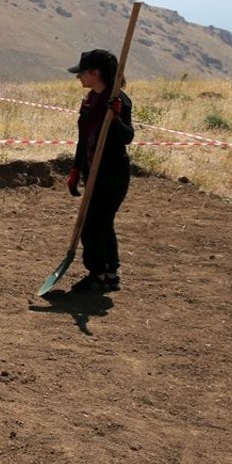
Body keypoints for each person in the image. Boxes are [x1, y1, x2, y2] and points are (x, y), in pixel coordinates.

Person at [66, 49, 135, 293]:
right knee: (100, 224)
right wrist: (76, 168)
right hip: (92, 170)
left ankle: (101, 274)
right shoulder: (89, 101)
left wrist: (115, 117)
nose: (78, 77)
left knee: (96, 224)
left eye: (82, 72)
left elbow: (128, 136)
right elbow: (83, 139)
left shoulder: (118, 101)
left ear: (95, 73)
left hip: (112, 175)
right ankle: (108, 274)